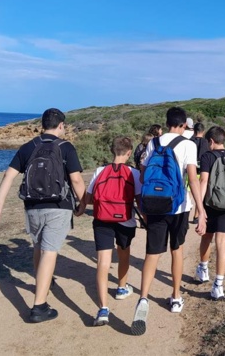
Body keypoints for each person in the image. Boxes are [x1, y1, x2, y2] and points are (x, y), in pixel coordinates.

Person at [0, 108, 85, 323]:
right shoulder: (66, 147)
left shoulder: (28, 147)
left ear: (42, 124)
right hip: (58, 206)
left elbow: (8, 174)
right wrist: (83, 203)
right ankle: (39, 306)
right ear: (60, 125)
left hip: (32, 206)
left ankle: (43, 285)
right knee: (50, 251)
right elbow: (76, 180)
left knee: (39, 247)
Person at [131, 107, 206, 336]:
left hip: (155, 205)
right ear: (183, 125)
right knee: (176, 250)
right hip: (179, 207)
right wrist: (200, 210)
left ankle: (143, 298)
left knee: (152, 253)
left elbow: (143, 176)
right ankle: (175, 298)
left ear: (167, 122)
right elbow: (192, 179)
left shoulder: (153, 143)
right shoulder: (188, 145)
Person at [76, 136, 142, 327]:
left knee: (103, 263)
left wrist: (80, 209)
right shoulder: (133, 173)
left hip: (102, 219)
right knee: (123, 255)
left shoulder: (99, 171)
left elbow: (88, 198)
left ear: (112, 151)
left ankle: (103, 309)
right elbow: (139, 200)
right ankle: (122, 288)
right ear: (129, 153)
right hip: (125, 221)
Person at [195, 126, 225, 300]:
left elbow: (204, 181)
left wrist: (199, 209)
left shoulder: (207, 156)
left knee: (207, 237)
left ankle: (203, 269)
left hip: (211, 204)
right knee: (222, 243)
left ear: (211, 141)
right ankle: (218, 285)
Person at [190, 122, 210, 225]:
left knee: (187, 194)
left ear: (194, 130)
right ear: (203, 131)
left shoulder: (189, 141)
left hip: (190, 171)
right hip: (202, 171)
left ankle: (186, 213)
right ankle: (196, 215)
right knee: (199, 194)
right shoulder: (206, 142)